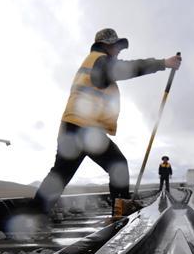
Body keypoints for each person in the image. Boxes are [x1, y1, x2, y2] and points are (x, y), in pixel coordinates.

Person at [33, 28, 182, 216]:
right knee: (118, 164)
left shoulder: (93, 62)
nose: (119, 51)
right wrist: (163, 63)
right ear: (108, 45)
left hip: (71, 126)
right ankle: (120, 212)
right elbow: (127, 68)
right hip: (84, 129)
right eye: (117, 47)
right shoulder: (100, 61)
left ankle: (35, 214)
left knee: (59, 176)